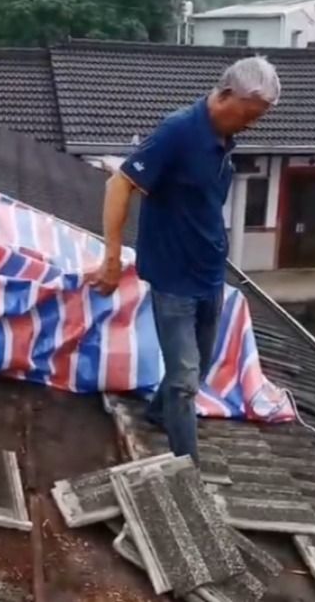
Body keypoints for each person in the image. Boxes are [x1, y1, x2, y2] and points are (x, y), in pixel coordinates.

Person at [92, 56, 281, 463]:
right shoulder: (178, 131)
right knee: (184, 380)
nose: (250, 124)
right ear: (225, 95)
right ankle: (186, 469)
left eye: (257, 118)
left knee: (201, 365)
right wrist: (112, 258)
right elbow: (120, 184)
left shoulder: (224, 138)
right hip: (174, 277)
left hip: (209, 273)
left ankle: (160, 413)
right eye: (248, 115)